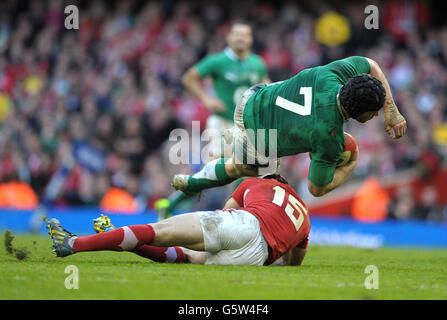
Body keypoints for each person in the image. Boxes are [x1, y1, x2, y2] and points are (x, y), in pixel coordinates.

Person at [172, 56, 407, 199]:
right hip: (258, 129)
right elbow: (316, 188)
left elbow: (370, 65)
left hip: (255, 94)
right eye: (375, 111)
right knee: (255, 169)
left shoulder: (332, 74)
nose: (378, 114)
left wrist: (391, 110)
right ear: (358, 111)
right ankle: (197, 185)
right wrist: (350, 166)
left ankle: (196, 181)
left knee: (259, 163)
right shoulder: (329, 138)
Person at [47, 174, 309, 266]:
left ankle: (73, 243)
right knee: (186, 256)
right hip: (257, 257)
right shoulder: (305, 215)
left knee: (157, 230)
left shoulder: (256, 183)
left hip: (245, 223)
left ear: (272, 179)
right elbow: (292, 263)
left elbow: (228, 208)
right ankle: (113, 234)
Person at [154, 22, 270, 218]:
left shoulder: (257, 63)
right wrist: (206, 98)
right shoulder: (218, 61)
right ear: (229, 38)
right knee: (215, 166)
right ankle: (174, 204)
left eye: (245, 35)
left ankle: (229, 214)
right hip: (222, 122)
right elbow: (189, 78)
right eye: (237, 35)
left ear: (251, 39)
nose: (241, 38)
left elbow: (265, 85)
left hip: (246, 126)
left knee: (248, 170)